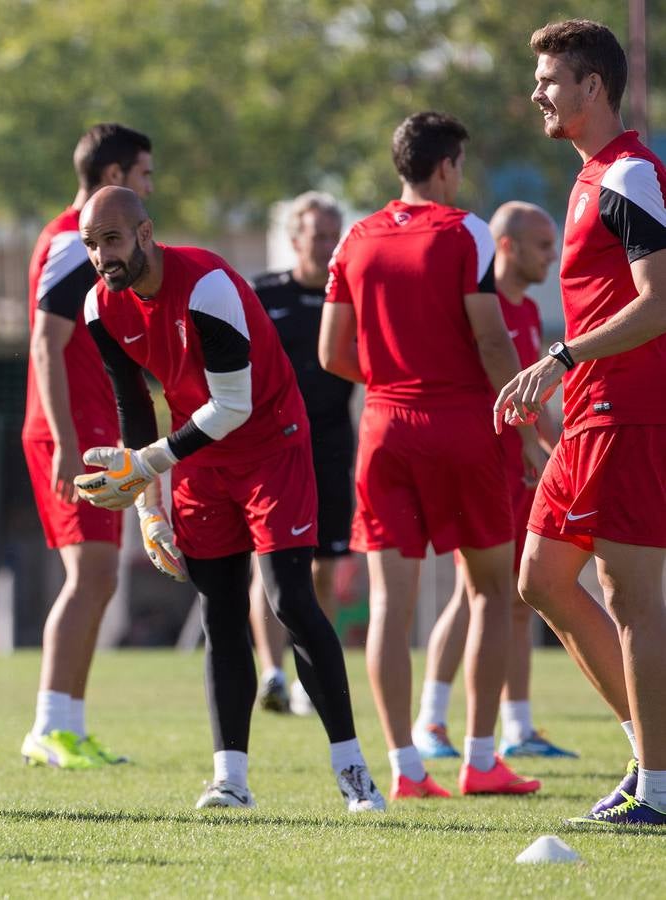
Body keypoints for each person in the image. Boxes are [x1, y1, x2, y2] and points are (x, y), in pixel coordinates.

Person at [73, 186, 384, 812]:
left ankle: (353, 772)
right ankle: (230, 780)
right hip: (198, 456)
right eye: (90, 244)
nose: (101, 255)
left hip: (271, 443)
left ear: (144, 232)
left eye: (111, 239)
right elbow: (135, 406)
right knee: (219, 610)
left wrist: (148, 464)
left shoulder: (208, 285)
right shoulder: (98, 307)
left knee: (289, 600)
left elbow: (235, 406)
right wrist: (148, 507)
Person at [320, 111, 541, 800]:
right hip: (459, 426)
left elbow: (331, 354)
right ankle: (480, 760)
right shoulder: (464, 231)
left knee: (390, 604)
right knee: (490, 592)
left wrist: (392, 380)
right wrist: (527, 425)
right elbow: (491, 340)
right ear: (446, 166)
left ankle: (405, 769)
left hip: (383, 429)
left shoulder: (353, 240)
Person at [496, 19, 666, 828]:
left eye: (549, 79)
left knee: (629, 599)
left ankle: (659, 787)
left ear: (592, 87)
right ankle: (649, 751)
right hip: (591, 413)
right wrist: (563, 383)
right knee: (540, 580)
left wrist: (556, 359)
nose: (537, 91)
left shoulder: (629, 173)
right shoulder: (589, 176)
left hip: (631, 414)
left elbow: (659, 303)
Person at [413, 202, 571, 760]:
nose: (551, 257)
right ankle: (430, 723)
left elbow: (532, 400)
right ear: (506, 246)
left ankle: (518, 728)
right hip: (481, 465)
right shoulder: (481, 309)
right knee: (474, 593)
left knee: (519, 598)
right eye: (541, 245)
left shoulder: (527, 311)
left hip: (521, 470)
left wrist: (559, 450)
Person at [20, 123, 152, 770]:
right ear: (113, 179)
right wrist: (65, 445)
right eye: (143, 175)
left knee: (97, 578)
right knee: (90, 575)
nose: (150, 188)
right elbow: (45, 342)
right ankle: (50, 726)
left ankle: (65, 723)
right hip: (68, 429)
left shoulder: (79, 240)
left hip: (87, 425)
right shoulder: (76, 244)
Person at [247, 192, 351, 718]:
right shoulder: (263, 295)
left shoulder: (348, 297)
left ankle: (311, 675)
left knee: (322, 572)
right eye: (317, 234)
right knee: (265, 564)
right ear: (295, 240)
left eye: (334, 234)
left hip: (331, 444)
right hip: (269, 445)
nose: (327, 244)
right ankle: (272, 674)